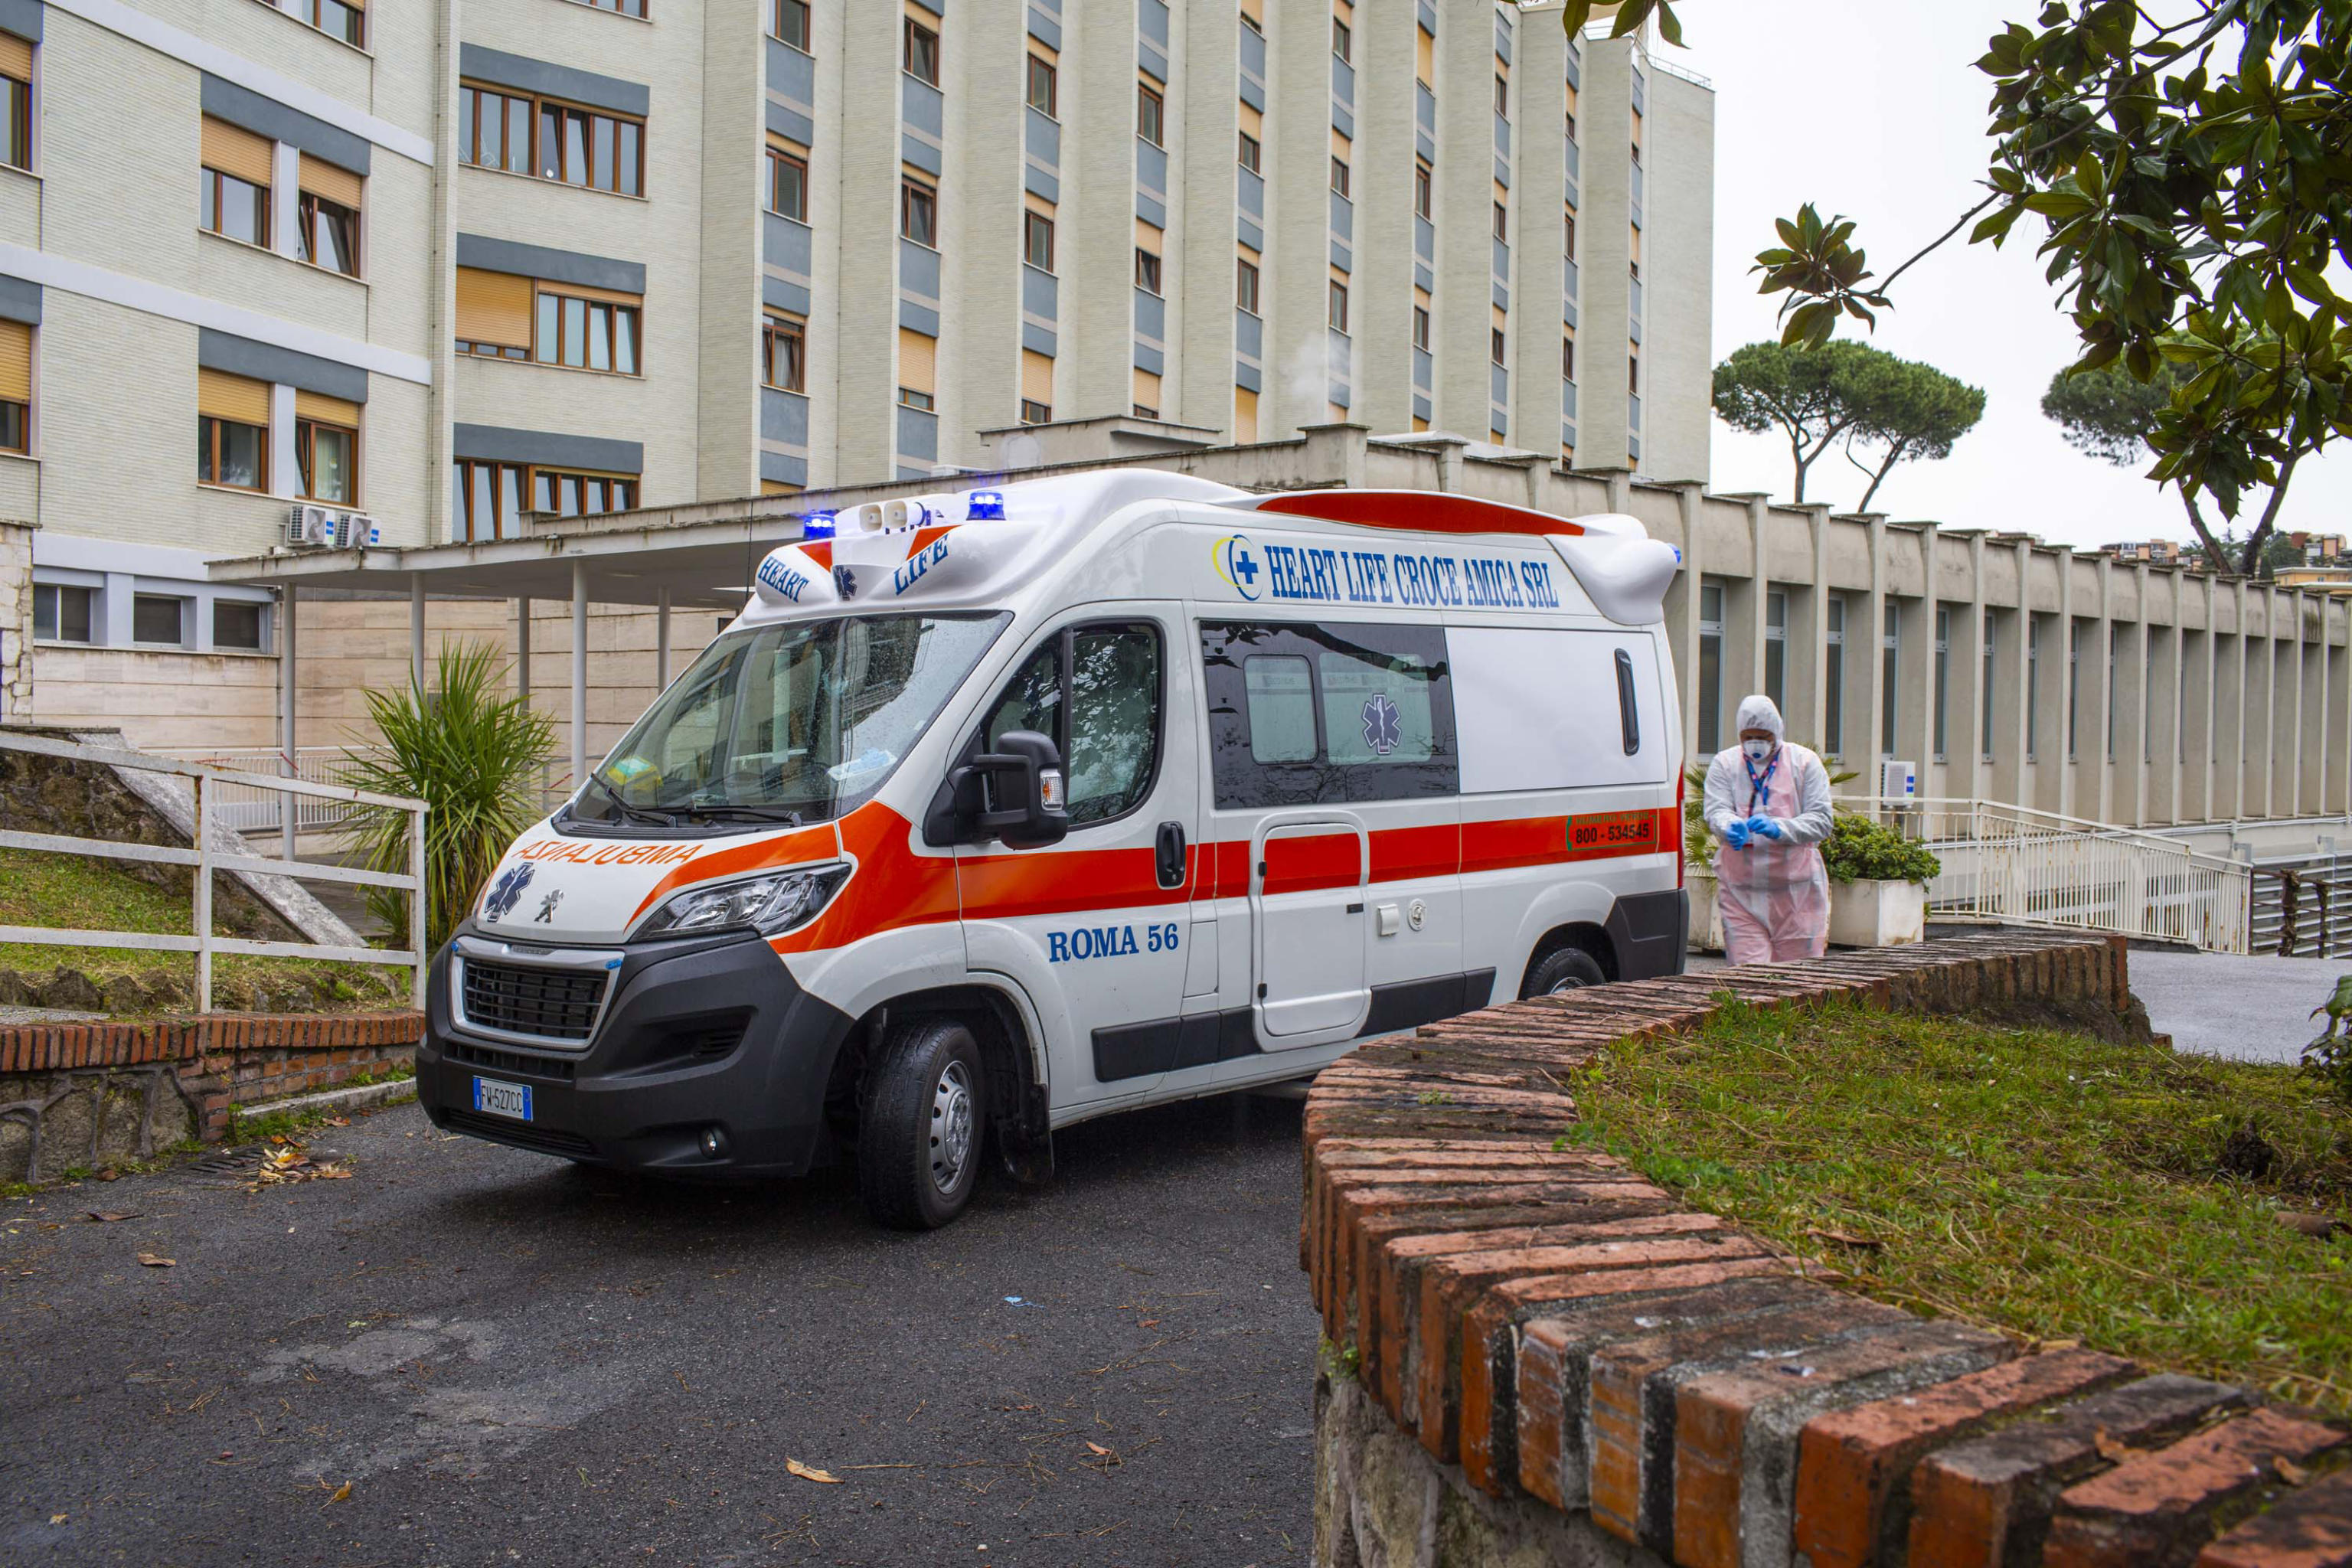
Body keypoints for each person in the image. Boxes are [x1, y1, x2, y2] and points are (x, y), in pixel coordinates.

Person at [1704, 694, 1833, 965]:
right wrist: (1729, 826)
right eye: (1748, 736)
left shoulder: (1804, 763)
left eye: (1762, 735)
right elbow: (1716, 810)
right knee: (1749, 977)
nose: (1755, 743)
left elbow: (1821, 819)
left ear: (1777, 731)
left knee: (1800, 977)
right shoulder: (1725, 764)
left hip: (1797, 893)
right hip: (1741, 893)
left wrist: (1781, 829)